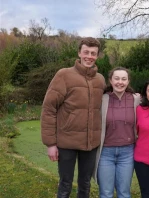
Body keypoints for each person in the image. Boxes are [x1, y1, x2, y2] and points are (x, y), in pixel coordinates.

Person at [41, 37, 106, 198]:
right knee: (65, 184)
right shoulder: (64, 75)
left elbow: (113, 96)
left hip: (91, 144)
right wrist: (50, 144)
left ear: (97, 56)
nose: (89, 56)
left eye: (93, 53)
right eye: (86, 52)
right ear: (79, 53)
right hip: (66, 142)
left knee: (85, 184)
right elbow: (49, 109)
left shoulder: (100, 80)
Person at [93, 67, 140, 198]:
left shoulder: (136, 99)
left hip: (127, 153)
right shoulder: (102, 99)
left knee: (124, 193)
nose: (120, 82)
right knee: (106, 193)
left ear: (128, 81)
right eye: (117, 78)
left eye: (124, 79)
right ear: (111, 81)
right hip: (105, 153)